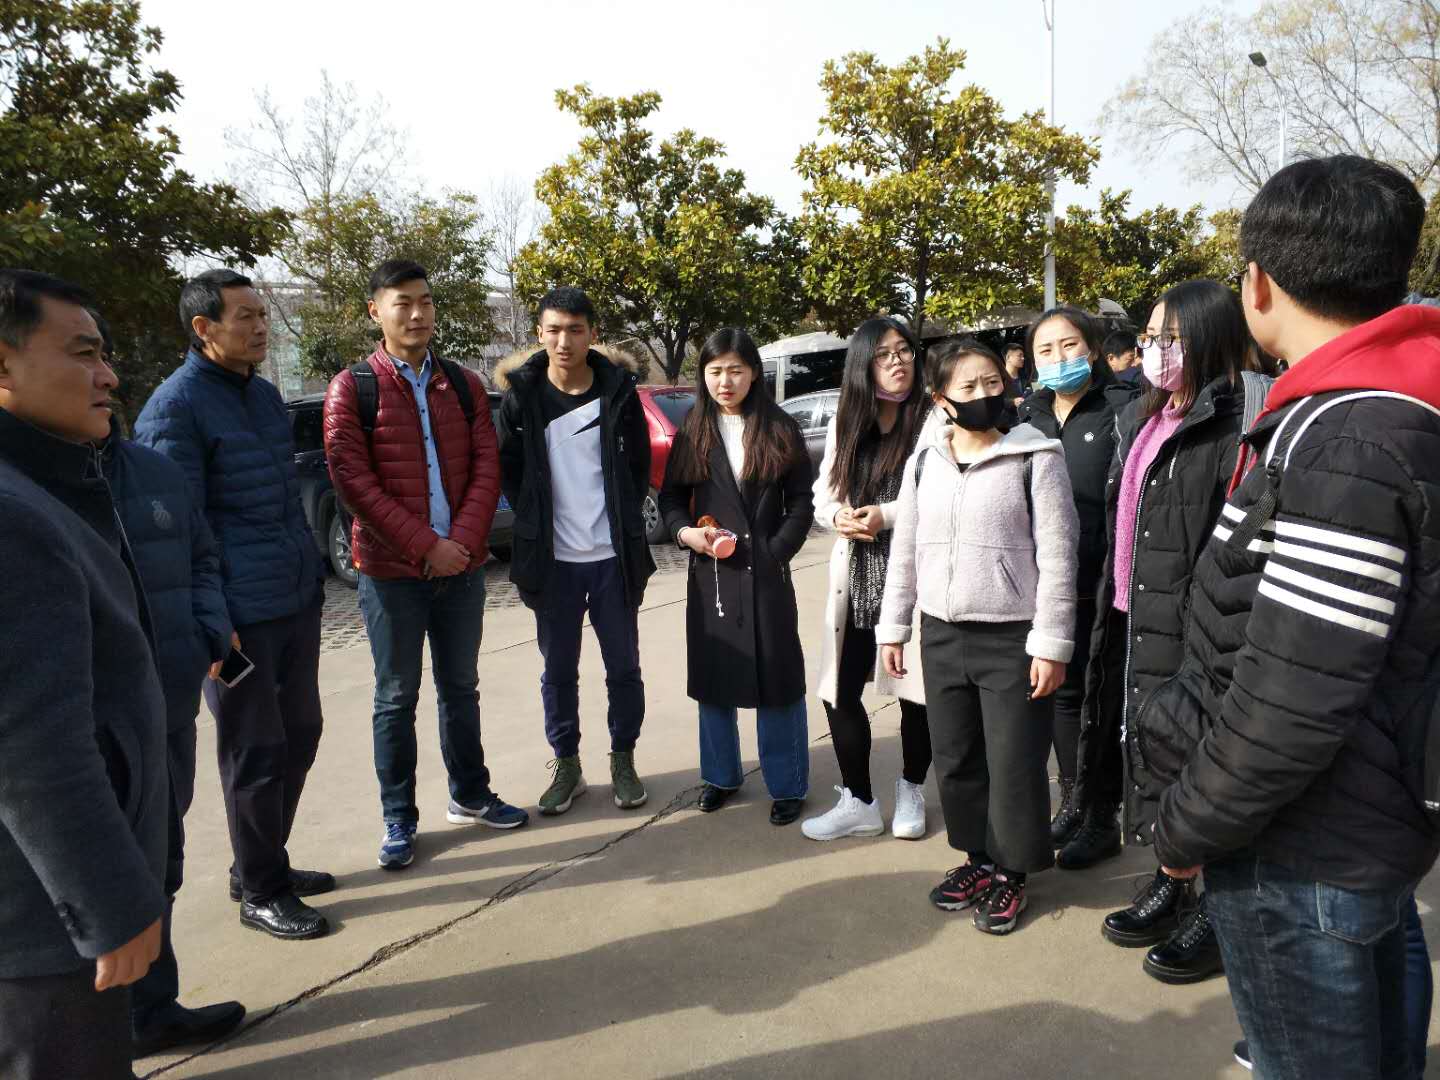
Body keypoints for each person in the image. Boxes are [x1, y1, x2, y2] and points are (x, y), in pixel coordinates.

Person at [1139, 155, 1440, 1078]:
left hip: (1303, 849)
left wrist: (1186, 827)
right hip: (1355, 830)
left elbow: (1291, 703)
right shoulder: (1371, 411)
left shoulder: (1346, 437)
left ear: (1258, 285)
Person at [135, 269, 334, 941]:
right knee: (256, 748)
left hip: (293, 597)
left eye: (261, 315)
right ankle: (262, 890)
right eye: (244, 316)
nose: (259, 326)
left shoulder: (263, 395)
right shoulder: (175, 408)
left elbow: (280, 498)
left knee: (301, 731)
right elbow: (174, 530)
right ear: (203, 328)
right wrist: (212, 623)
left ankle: (260, 861)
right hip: (238, 618)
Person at [0, 270, 165, 1079]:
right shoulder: (12, 515)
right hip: (41, 930)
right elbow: (29, 745)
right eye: (83, 353)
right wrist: (106, 905)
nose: (108, 375)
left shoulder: (44, 485)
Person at [1066, 281, 1254, 988]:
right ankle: (1173, 880)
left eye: (1168, 337)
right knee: (1160, 752)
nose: (1153, 348)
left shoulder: (1232, 426)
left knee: (1202, 760)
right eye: (1149, 336)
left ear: (1208, 337)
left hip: (1193, 625)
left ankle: (1218, 909)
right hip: (1132, 609)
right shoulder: (1152, 415)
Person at [324, 260, 527, 872]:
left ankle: (470, 794)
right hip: (392, 575)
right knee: (395, 696)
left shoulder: (463, 385)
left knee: (460, 687)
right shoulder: (352, 388)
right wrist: (425, 546)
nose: (417, 314)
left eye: (426, 302)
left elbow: (486, 468)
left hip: (460, 568)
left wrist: (459, 542)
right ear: (375, 311)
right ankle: (398, 818)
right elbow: (353, 481)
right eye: (402, 303)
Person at [877, 338, 1079, 936]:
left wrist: (1051, 642)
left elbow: (1059, 556)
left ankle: (1012, 872)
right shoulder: (925, 462)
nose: (983, 395)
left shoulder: (1035, 456)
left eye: (992, 383)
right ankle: (978, 859)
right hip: (941, 633)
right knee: (957, 755)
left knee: (1013, 761)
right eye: (967, 387)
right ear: (940, 399)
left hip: (1012, 636)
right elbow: (906, 550)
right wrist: (895, 626)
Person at [87, 318, 247, 1056]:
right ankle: (90, 1035)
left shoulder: (150, 472)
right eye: (81, 355)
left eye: (104, 354)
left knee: (160, 856)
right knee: (86, 877)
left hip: (167, 702)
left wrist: (208, 630)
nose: (107, 376)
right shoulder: (24, 491)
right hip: (75, 724)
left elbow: (201, 556)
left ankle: (152, 1009)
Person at [496, 287, 656, 815]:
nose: (564, 341)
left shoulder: (618, 392)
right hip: (554, 564)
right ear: (539, 333)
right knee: (558, 672)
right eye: (554, 330)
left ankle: (623, 759)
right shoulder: (522, 397)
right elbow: (510, 470)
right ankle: (567, 765)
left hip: (613, 560)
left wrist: (622, 522)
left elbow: (637, 467)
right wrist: (536, 520)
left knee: (624, 668)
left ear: (592, 334)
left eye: (575, 330)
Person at [660, 328, 815, 825]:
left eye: (735, 370)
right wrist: (686, 534)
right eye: (715, 371)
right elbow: (670, 498)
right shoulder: (693, 429)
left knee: (779, 677)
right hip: (713, 575)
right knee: (715, 679)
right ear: (703, 376)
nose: (725, 381)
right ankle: (721, 776)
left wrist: (776, 551)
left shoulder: (780, 427)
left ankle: (787, 783)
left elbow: (801, 502)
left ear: (753, 374)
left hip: (767, 574)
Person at [802, 316, 937, 841]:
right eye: (883, 354)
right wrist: (837, 516)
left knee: (914, 692)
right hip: (857, 575)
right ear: (864, 365)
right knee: (838, 691)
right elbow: (825, 491)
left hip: (914, 574)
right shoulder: (849, 419)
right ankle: (858, 800)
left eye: (903, 350)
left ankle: (911, 788)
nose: (897, 361)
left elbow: (938, 493)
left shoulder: (933, 416)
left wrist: (885, 515)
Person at [1019, 306, 1138, 869]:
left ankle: (1102, 817)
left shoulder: (1122, 410)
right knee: (1063, 700)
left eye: (1069, 345)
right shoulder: (1029, 416)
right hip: (1048, 586)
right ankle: (1074, 801)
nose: (1059, 357)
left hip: (1104, 583)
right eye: (1045, 350)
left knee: (1102, 702)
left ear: (1091, 348)